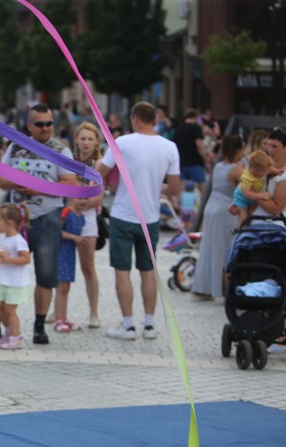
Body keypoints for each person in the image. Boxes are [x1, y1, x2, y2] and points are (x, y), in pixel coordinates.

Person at [97, 102, 181, 340]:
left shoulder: (122, 142)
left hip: (123, 214)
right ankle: (150, 324)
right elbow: (174, 188)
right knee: (147, 270)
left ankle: (128, 325)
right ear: (153, 119)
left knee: (122, 271)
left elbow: (100, 172)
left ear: (135, 118)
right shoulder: (169, 147)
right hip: (150, 217)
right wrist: (155, 184)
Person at [0, 103, 76, 345]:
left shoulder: (61, 150)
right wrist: (15, 183)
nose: (45, 128)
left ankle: (39, 326)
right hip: (17, 220)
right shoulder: (16, 147)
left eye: (49, 123)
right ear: (29, 125)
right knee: (6, 268)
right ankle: (2, 323)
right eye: (40, 124)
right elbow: (0, 178)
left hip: (47, 217)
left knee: (46, 273)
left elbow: (70, 184)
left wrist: (37, 187)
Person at [191, 134, 245, 300]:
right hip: (225, 210)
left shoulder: (218, 166)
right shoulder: (237, 169)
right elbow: (246, 189)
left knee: (208, 249)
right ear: (238, 150)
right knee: (224, 252)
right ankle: (222, 290)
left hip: (211, 207)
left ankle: (203, 287)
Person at [70, 122, 103, 328]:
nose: (86, 143)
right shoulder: (68, 160)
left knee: (88, 267)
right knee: (63, 266)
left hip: (89, 217)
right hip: (69, 216)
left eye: (90, 139)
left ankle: (94, 312)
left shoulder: (99, 164)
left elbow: (100, 196)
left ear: (96, 142)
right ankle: (59, 309)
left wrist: (84, 203)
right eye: (82, 138)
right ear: (76, 140)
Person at [0, 204, 32, 350]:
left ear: (9, 223)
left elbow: (26, 259)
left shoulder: (18, 240)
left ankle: (15, 336)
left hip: (16, 282)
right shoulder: (6, 239)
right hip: (5, 280)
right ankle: (10, 329)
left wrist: (8, 260)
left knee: (10, 310)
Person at [53, 198, 88, 333]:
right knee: (61, 287)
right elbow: (57, 231)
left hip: (70, 254)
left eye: (86, 198)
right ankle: (58, 319)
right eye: (80, 198)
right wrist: (74, 238)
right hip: (62, 252)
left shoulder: (81, 216)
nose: (84, 201)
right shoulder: (66, 212)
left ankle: (63, 316)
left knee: (66, 287)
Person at [230, 150, 273, 224]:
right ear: (254, 171)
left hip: (250, 199)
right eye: (265, 172)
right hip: (242, 199)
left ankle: (234, 207)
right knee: (245, 220)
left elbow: (270, 169)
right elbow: (246, 193)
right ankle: (241, 232)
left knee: (253, 216)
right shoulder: (246, 178)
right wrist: (261, 195)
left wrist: (279, 171)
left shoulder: (258, 169)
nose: (268, 172)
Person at [254, 127, 286, 220]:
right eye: (269, 145)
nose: (270, 150)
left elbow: (276, 208)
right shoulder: (261, 165)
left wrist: (252, 194)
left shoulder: (285, 175)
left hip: (275, 225)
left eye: (275, 146)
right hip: (253, 221)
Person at [175, 109, 210, 196]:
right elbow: (199, 145)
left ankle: (180, 206)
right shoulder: (196, 128)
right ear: (195, 117)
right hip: (195, 162)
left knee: (181, 187)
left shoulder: (179, 128)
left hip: (181, 162)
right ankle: (202, 207)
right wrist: (206, 160)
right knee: (202, 186)